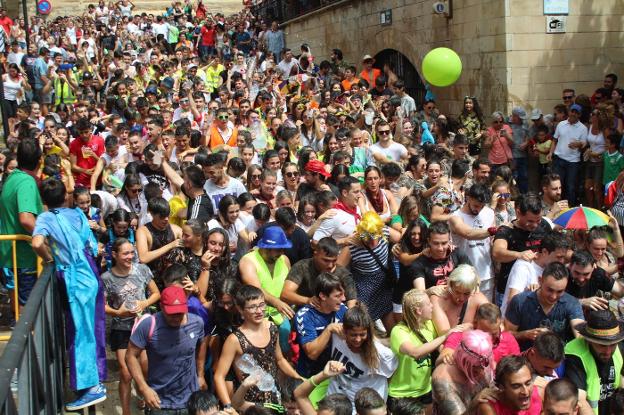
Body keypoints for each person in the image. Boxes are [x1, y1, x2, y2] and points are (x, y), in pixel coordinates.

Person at [31, 178, 107, 410]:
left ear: (43, 200)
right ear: (66, 196)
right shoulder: (77, 214)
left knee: (82, 333)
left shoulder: (45, 218)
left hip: (76, 280)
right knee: (92, 329)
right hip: (90, 275)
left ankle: (92, 387)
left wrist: (49, 257)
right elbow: (92, 246)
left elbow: (36, 243)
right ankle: (94, 379)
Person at [214, 285, 304, 411]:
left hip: (275, 402)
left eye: (262, 305)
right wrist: (229, 407)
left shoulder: (272, 328)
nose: (259, 311)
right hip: (249, 405)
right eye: (252, 307)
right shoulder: (234, 340)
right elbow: (219, 376)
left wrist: (299, 380)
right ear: (240, 309)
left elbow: (280, 360)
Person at [126, 285, 208, 412]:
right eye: (171, 314)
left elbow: (201, 345)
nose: (176, 318)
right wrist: (143, 388)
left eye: (179, 313)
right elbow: (130, 356)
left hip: (190, 399)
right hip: (159, 402)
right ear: (161, 307)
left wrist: (201, 375)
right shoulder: (148, 325)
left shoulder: (197, 323)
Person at [101, 238, 160, 415]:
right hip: (121, 329)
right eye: (125, 253)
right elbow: (102, 306)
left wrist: (144, 303)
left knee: (145, 368)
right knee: (126, 372)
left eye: (131, 252)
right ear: (114, 255)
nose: (130, 256)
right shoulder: (106, 278)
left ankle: (142, 395)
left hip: (143, 326)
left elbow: (156, 293)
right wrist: (117, 313)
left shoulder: (142, 270)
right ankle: (126, 411)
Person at [388, 289, 466, 413]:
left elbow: (436, 345)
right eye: (429, 303)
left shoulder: (428, 325)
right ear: (419, 311)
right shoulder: (399, 332)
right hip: (401, 394)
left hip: (424, 389)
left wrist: (445, 353)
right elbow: (415, 352)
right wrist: (445, 336)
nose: (432, 306)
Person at [0, 138, 42, 313]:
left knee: (18, 307)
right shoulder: (26, 182)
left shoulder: (12, 177)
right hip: (23, 257)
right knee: (26, 310)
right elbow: (26, 218)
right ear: (39, 161)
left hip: (11, 254)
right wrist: (45, 240)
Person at [325, 305, 398, 406]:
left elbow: (391, 373)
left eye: (362, 334)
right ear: (344, 331)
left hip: (364, 404)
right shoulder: (336, 335)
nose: (358, 339)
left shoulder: (381, 353)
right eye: (353, 335)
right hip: (337, 399)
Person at [504, 262, 585, 351]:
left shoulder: (571, 303)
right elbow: (506, 334)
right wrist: (525, 334)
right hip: (525, 358)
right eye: (550, 290)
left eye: (560, 291)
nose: (554, 296)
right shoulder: (520, 301)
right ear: (540, 280)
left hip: (557, 359)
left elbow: (580, 335)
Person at [239, 226, 293, 351]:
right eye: (278, 249)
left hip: (281, 318)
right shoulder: (248, 261)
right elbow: (256, 289)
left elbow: (289, 286)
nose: (281, 252)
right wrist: (277, 302)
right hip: (257, 318)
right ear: (266, 248)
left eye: (283, 249)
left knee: (284, 354)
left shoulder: (284, 260)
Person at [493, 192, 551, 307]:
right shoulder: (506, 231)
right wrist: (519, 255)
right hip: (508, 289)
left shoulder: (544, 225)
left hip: (537, 288)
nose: (535, 225)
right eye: (530, 221)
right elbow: (497, 252)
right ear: (518, 213)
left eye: (538, 220)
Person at [564, 309, 624, 415]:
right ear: (589, 340)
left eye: (613, 344)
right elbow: (580, 400)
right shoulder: (574, 355)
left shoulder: (620, 346)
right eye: (602, 345)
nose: (608, 352)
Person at [501, 230, 569, 316]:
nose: (562, 261)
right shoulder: (523, 266)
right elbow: (512, 300)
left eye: (564, 258)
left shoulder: (553, 268)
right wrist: (531, 294)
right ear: (545, 252)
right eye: (559, 257)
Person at [295, 272, 348, 378]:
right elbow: (312, 354)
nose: (343, 299)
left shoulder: (343, 310)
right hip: (310, 375)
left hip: (335, 373)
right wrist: (329, 329)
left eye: (343, 294)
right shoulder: (305, 316)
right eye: (338, 296)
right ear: (323, 296)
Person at [448, 183, 496, 300]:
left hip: (486, 273)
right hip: (464, 274)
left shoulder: (489, 213)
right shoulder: (455, 217)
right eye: (475, 205)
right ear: (468, 198)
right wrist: (492, 231)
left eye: (481, 206)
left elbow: (492, 241)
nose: (478, 209)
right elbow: (467, 233)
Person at [431, 330, 495, 415]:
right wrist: (475, 402)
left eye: (485, 366)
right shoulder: (442, 380)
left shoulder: (483, 361)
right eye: (476, 367)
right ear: (463, 360)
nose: (482, 371)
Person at [282, 236, 357, 307]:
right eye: (326, 260)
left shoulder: (343, 273)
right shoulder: (302, 266)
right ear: (315, 254)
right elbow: (285, 294)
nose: (330, 265)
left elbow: (352, 301)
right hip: (305, 312)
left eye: (334, 261)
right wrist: (308, 300)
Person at [397, 221, 472, 291]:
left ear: (449, 240)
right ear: (429, 241)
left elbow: (474, 278)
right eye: (436, 243)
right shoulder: (419, 263)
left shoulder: (457, 253)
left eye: (444, 243)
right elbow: (421, 293)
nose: (440, 248)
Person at [440, 302, 520, 364]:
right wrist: (449, 356)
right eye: (486, 333)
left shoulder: (508, 340)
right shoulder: (460, 336)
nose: (490, 338)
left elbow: (517, 366)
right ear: (475, 323)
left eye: (495, 333)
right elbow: (446, 354)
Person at [549, 103, 588, 205]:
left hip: (573, 161)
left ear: (579, 115)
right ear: (569, 112)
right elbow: (554, 140)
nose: (574, 114)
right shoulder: (561, 124)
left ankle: (571, 208)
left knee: (571, 186)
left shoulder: (583, 128)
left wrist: (578, 144)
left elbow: (584, 144)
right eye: (572, 111)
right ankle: (557, 207)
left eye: (576, 112)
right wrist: (550, 152)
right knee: (557, 185)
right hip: (559, 159)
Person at [477, 355, 542, 415]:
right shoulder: (489, 407)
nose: (525, 392)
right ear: (501, 388)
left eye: (528, 383)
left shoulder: (540, 394)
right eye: (516, 386)